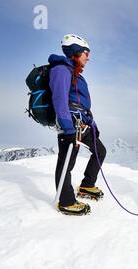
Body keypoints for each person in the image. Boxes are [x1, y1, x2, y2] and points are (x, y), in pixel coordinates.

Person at [49, 34, 106, 215]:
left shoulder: (75, 73)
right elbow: (59, 99)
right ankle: (65, 201)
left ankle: (86, 186)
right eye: (86, 53)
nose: (88, 57)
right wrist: (67, 128)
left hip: (82, 122)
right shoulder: (61, 70)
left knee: (100, 150)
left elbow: (81, 104)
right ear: (75, 52)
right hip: (70, 124)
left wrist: (93, 125)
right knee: (67, 161)